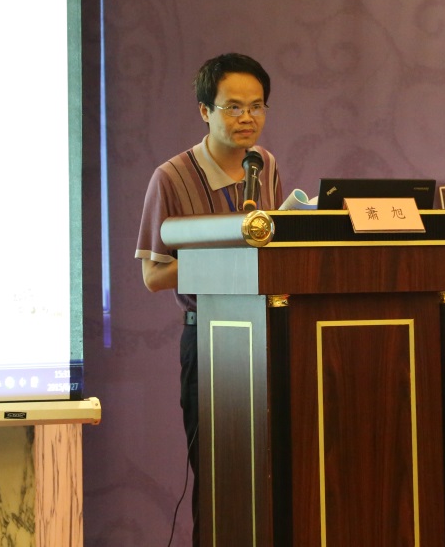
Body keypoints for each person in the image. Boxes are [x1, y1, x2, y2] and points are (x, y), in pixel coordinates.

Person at [134, 52, 284, 546]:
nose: (247, 118)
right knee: (223, 478)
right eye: (233, 107)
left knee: (274, 474)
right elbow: (153, 275)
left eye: (257, 107)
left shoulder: (265, 165)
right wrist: (225, 255)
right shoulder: (171, 177)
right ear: (205, 110)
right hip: (211, 343)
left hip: (270, 338)